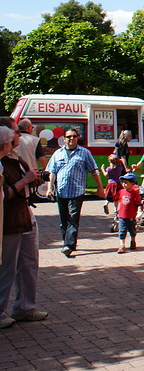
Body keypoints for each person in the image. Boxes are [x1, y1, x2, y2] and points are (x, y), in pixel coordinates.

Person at [0, 126, 47, 329]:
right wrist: (25, 180)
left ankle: (25, 307)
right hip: (10, 220)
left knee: (28, 263)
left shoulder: (15, 158)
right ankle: (1, 311)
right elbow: (4, 195)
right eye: (14, 136)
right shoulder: (2, 163)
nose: (18, 139)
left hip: (24, 214)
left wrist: (33, 179)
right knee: (7, 267)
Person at [47, 128, 106, 257]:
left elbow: (94, 170)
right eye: (68, 137)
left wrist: (100, 187)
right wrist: (49, 188)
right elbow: (52, 171)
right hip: (61, 191)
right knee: (63, 220)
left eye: (74, 136)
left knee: (73, 218)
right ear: (64, 139)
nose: (71, 139)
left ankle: (68, 245)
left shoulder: (84, 153)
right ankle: (68, 242)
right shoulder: (58, 153)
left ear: (77, 138)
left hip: (77, 191)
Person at [115, 173, 143, 253]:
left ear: (132, 184)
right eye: (123, 182)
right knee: (122, 231)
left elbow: (138, 203)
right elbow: (118, 201)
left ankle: (133, 241)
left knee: (132, 230)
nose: (124, 184)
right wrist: (117, 210)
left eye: (126, 182)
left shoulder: (134, 193)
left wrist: (139, 213)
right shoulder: (121, 192)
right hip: (122, 215)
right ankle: (122, 246)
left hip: (131, 216)